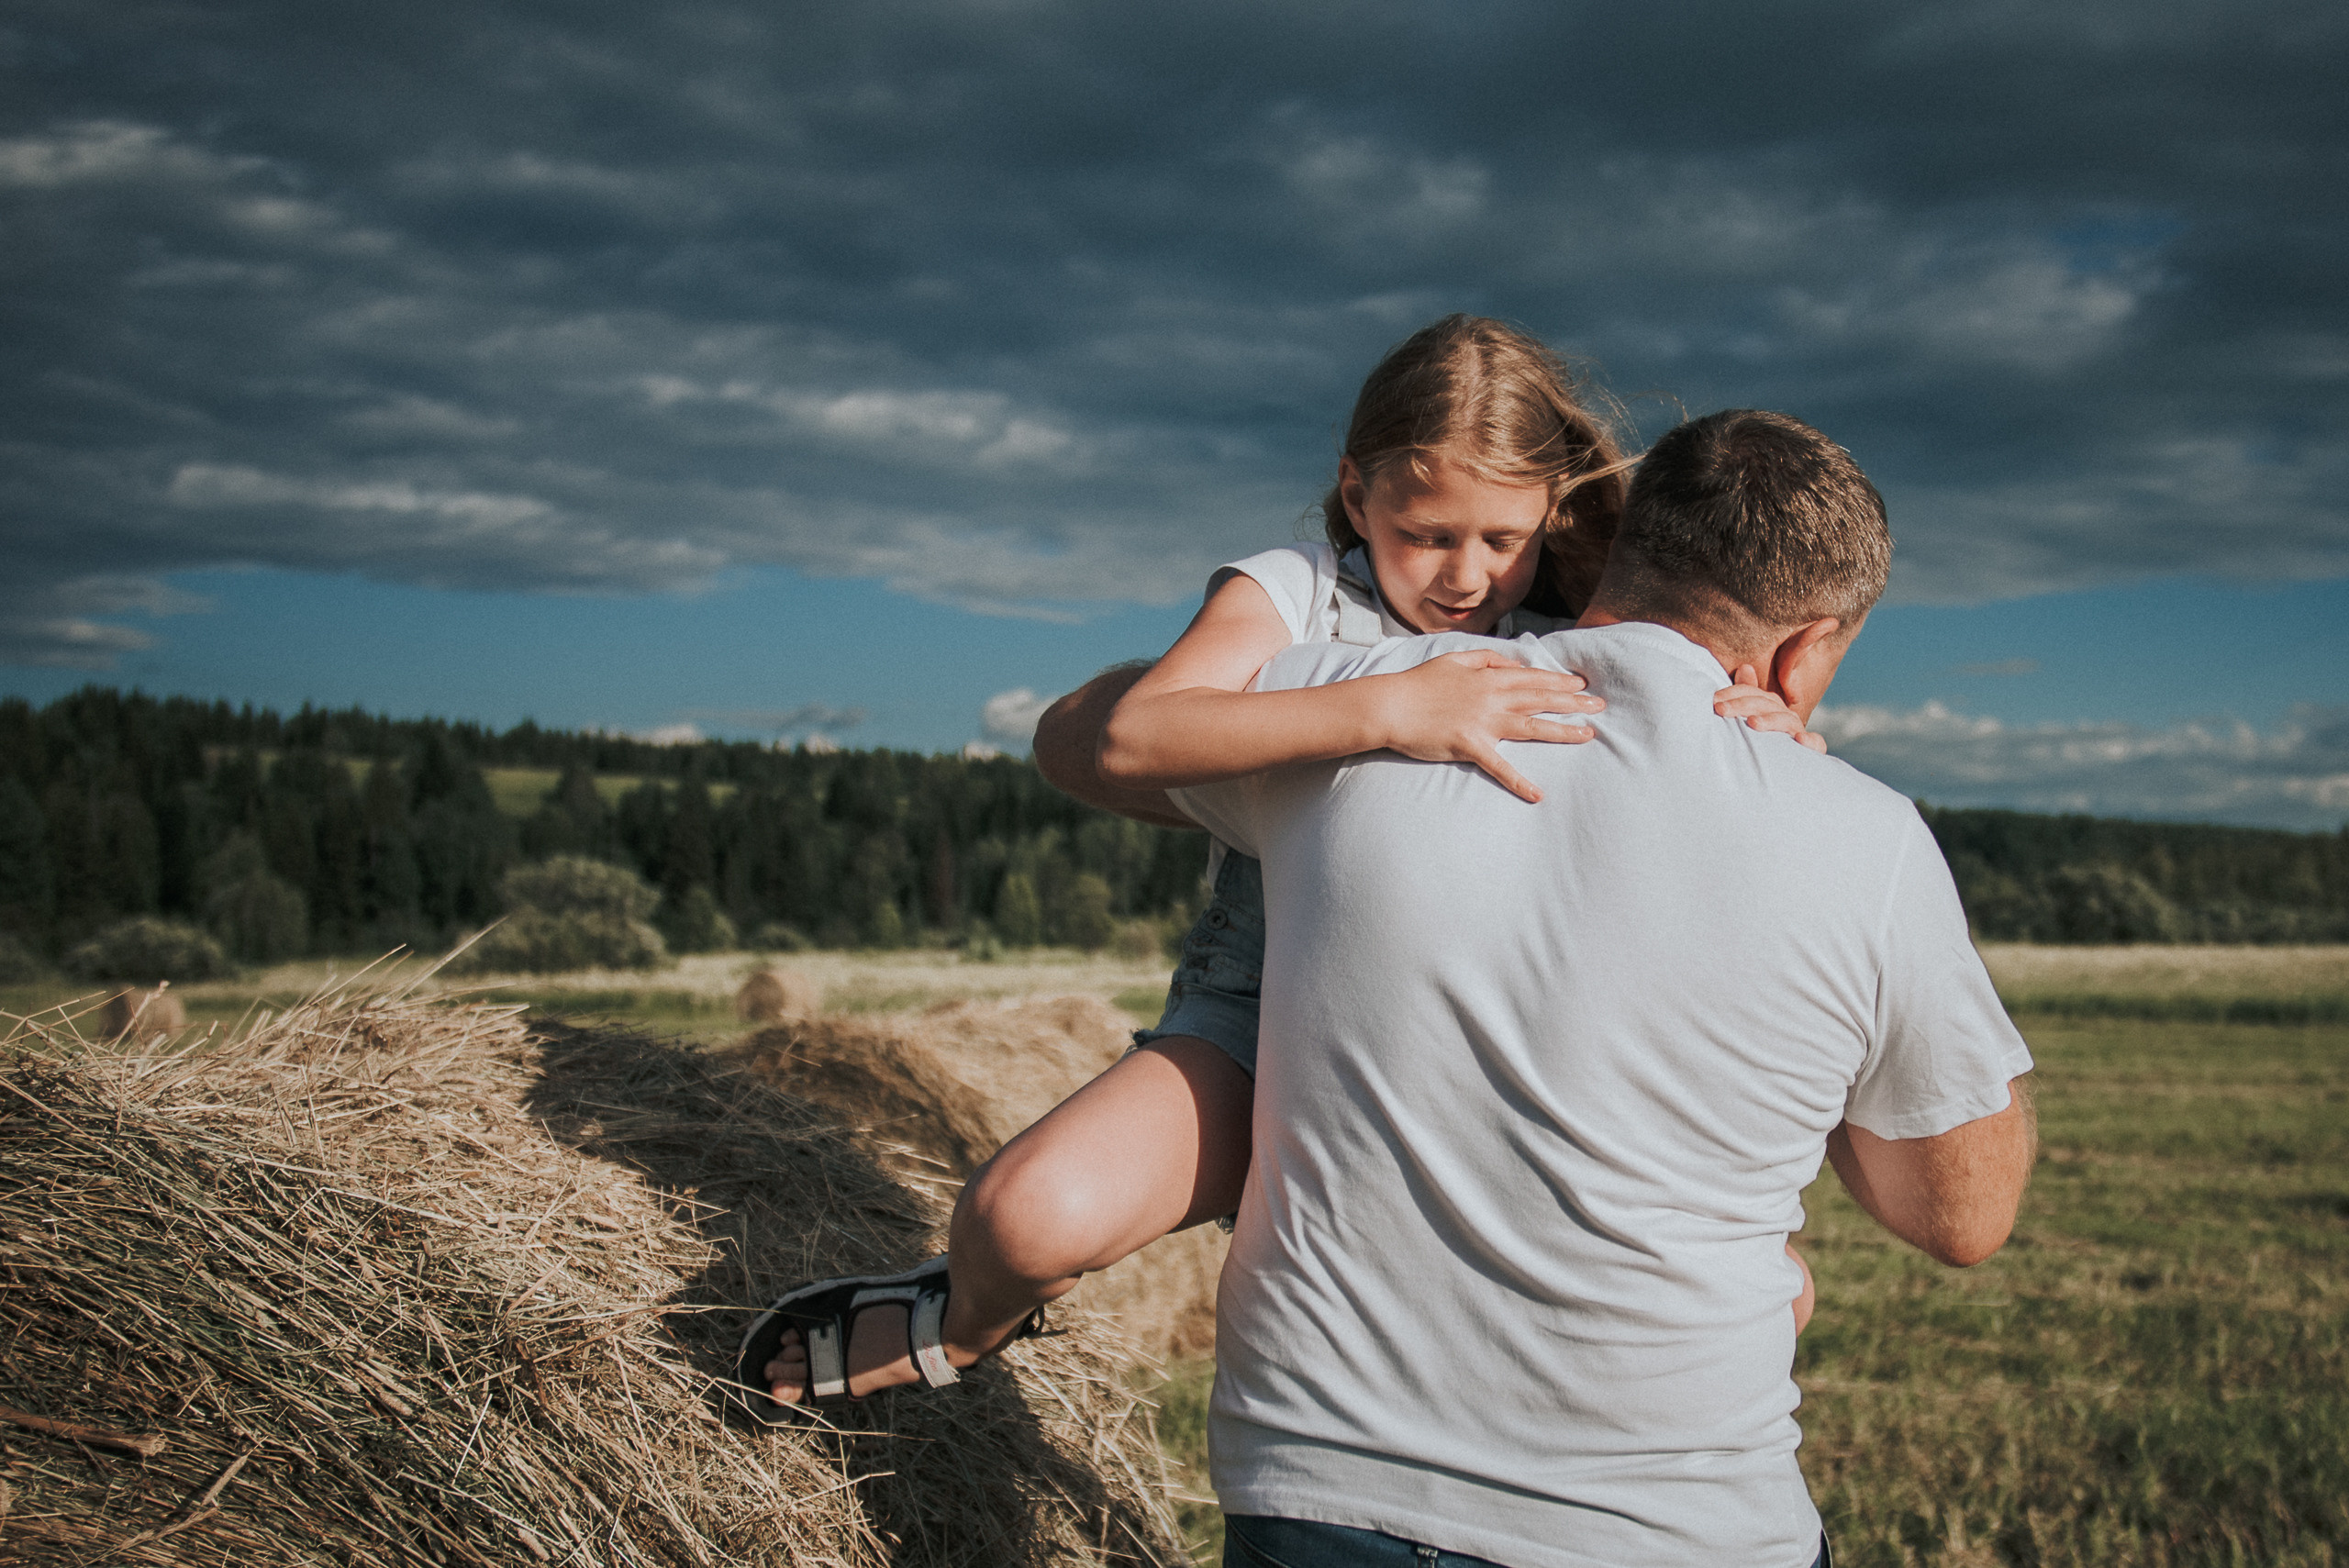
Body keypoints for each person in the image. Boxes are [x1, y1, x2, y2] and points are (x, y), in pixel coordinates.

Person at [731, 318, 1814, 1417]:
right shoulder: (1294, 591)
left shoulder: (1583, 623)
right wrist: (1392, 701)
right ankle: (956, 1325)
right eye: (1426, 532)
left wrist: (1763, 724)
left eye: (1504, 539)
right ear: (1356, 493)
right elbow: (1129, 737)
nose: (1465, 575)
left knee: (1775, 1295)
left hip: (1503, 1039)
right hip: (1261, 1013)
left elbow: (1697, 757)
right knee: (1024, 1218)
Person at [1165, 408, 2036, 1566]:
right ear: (1804, 650)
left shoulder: (1348, 702)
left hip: (1316, 1488)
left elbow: (1096, 739)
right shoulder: (1863, 836)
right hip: (1673, 1522)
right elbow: (1961, 1216)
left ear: (1624, 552)